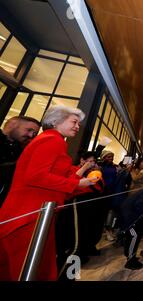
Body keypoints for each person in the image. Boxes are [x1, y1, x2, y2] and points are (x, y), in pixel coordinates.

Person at [0, 105, 96, 281]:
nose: (77, 126)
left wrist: (80, 180)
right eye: (74, 122)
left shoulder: (51, 139)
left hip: (34, 213)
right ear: (56, 121)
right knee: (29, 269)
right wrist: (76, 183)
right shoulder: (52, 140)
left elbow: (51, 177)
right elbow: (36, 176)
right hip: (29, 215)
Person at [0, 116, 41, 207]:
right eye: (29, 130)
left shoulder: (22, 151)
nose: (31, 135)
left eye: (34, 133)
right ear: (12, 125)